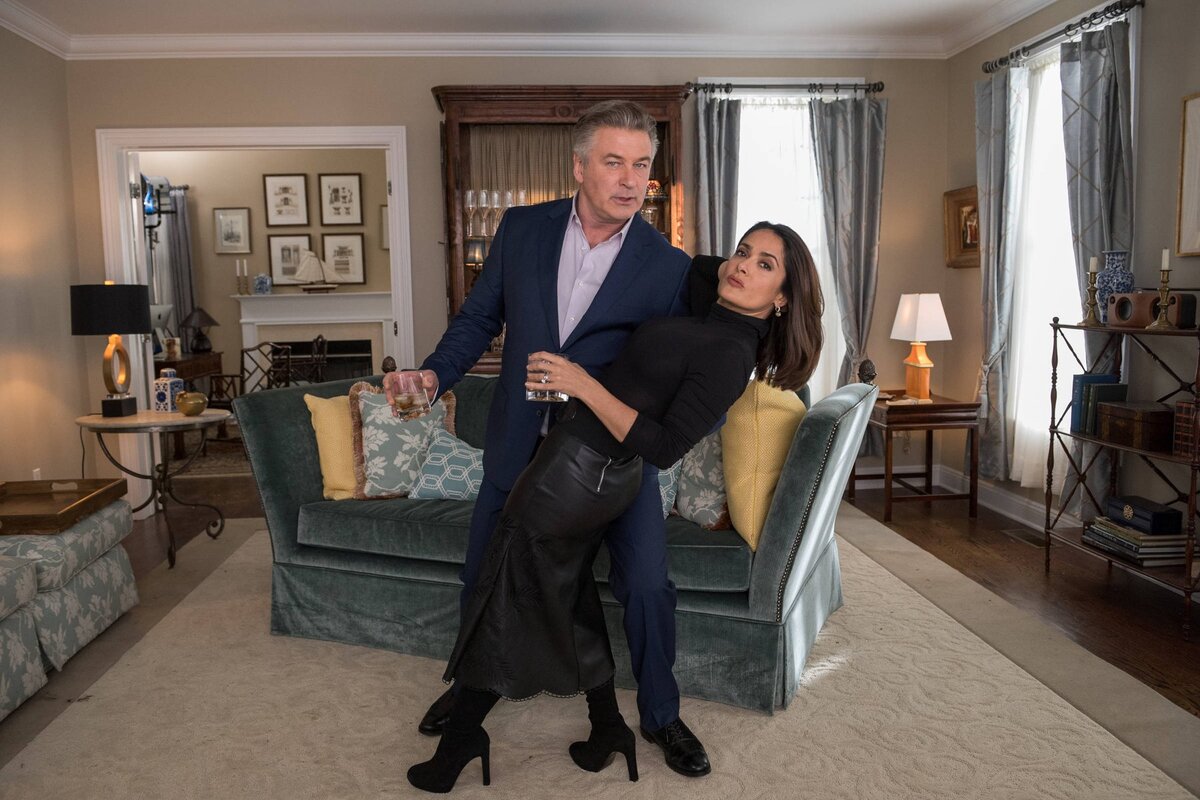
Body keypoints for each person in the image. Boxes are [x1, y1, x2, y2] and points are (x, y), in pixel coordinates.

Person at [405, 222, 825, 792]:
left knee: (568, 586)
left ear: (783, 299)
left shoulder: (731, 350)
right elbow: (690, 265)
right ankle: (605, 726)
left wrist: (582, 385)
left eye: (765, 265)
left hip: (603, 469)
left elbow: (666, 443)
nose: (743, 265)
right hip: (573, 455)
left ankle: (652, 718)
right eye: (743, 251)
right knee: (559, 584)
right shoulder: (706, 292)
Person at [389, 100, 710, 776]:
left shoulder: (668, 266)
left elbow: (678, 366)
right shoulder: (522, 228)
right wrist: (435, 374)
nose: (630, 179)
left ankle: (661, 714)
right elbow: (479, 318)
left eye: (642, 165)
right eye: (614, 162)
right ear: (579, 166)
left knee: (646, 586)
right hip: (521, 445)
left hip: (611, 461)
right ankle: (469, 691)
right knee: (482, 575)